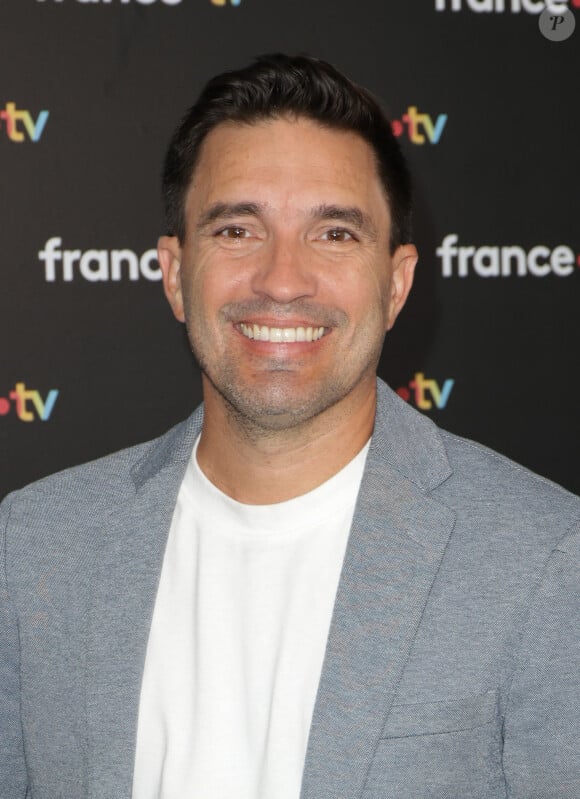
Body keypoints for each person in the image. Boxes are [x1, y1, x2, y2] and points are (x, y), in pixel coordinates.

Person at [1, 54, 578, 799]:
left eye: (334, 234)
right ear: (175, 274)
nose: (281, 279)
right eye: (238, 228)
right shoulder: (35, 546)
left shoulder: (543, 559)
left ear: (396, 283)